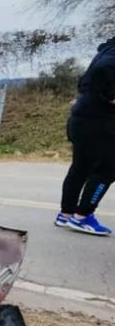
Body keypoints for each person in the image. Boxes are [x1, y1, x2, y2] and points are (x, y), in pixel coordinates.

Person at [56, 37, 115, 236]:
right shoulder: (109, 55)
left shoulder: (106, 50)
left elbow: (85, 81)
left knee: (80, 167)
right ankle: (83, 216)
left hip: (83, 117)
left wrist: (89, 95)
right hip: (100, 122)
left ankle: (66, 214)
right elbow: (103, 71)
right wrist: (110, 95)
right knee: (108, 169)